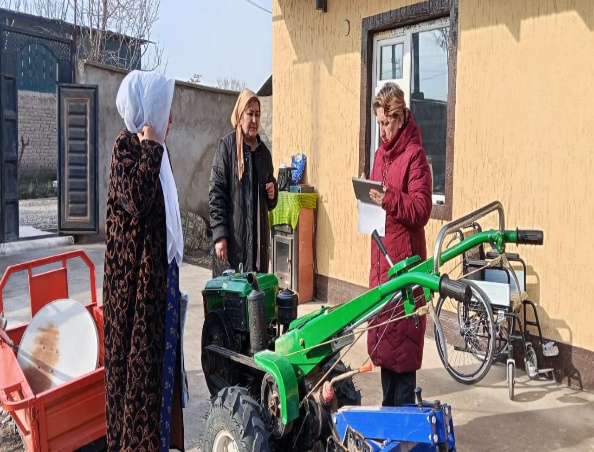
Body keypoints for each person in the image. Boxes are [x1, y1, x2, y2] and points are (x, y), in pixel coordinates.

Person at [103, 70, 185, 451]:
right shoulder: (127, 148)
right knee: (136, 389)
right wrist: (151, 147)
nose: (171, 118)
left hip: (157, 288)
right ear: (149, 110)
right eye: (165, 109)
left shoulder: (158, 154)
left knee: (159, 382)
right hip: (133, 300)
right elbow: (136, 200)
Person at [365, 82, 433, 407]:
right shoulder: (380, 155)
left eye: (385, 123)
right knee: (385, 354)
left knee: (402, 355)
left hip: (405, 269)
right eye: (378, 123)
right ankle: (388, 417)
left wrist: (389, 198)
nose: (381, 131)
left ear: (399, 116)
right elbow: (378, 198)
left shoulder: (415, 155)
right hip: (382, 264)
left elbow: (421, 210)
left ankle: (402, 423)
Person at [209, 88, 278, 277]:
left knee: (255, 292)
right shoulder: (227, 148)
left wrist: (273, 192)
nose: (254, 120)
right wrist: (220, 235)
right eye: (250, 114)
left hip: (258, 249)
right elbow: (216, 194)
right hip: (233, 246)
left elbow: (269, 194)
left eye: (257, 114)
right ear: (240, 117)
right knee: (233, 293)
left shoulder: (264, 153)